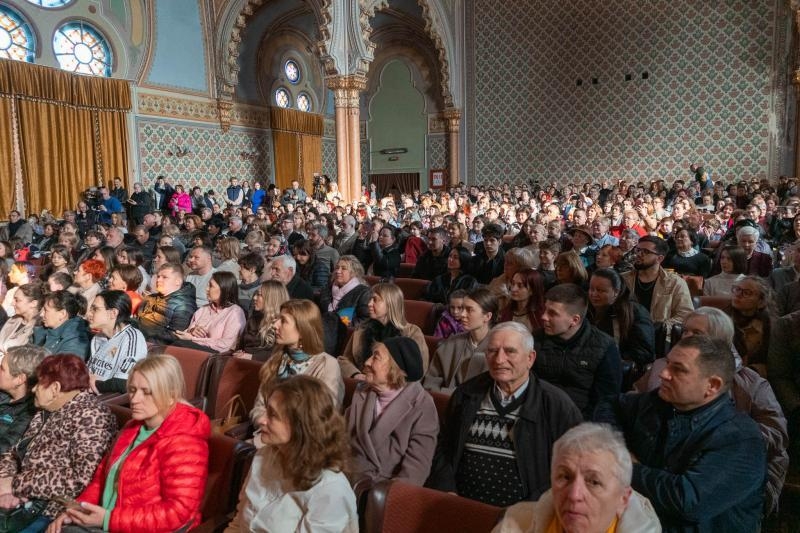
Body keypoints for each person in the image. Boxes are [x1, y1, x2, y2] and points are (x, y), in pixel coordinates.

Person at [595, 335, 766, 532]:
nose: (663, 374)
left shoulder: (741, 439)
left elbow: (686, 500)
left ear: (712, 385)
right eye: (667, 364)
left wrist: (623, 465)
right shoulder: (659, 402)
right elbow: (610, 404)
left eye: (678, 369)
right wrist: (616, 446)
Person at [634, 307, 788, 516]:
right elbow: (632, 403)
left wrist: (712, 439)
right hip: (665, 464)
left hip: (730, 469)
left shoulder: (751, 383)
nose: (687, 337)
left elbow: (776, 432)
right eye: (685, 331)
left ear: (720, 341)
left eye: (697, 333)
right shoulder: (661, 368)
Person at [48, 355, 210, 533]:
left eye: (146, 392)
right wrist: (77, 511)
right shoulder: (133, 427)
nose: (134, 399)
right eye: (132, 390)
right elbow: (101, 478)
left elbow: (179, 513)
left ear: (171, 395)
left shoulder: (184, 441)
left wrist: (109, 519)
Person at [427, 322, 582, 506]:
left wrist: (528, 510)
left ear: (530, 358)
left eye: (510, 351)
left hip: (526, 514)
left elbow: (570, 468)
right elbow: (443, 447)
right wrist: (446, 489)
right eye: (492, 351)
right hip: (460, 506)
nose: (499, 360)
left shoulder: (556, 405)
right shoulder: (466, 394)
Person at [225, 375, 357, 532]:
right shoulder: (264, 455)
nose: (261, 420)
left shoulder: (330, 490)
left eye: (273, 415)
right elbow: (238, 522)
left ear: (301, 426)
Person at [0, 355, 116, 532]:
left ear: (55, 388)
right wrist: (5, 481)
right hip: (17, 498)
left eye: (39, 384)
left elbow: (80, 479)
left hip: (49, 510)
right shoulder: (47, 409)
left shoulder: (93, 417)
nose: (33, 389)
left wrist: (16, 485)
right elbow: (14, 453)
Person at [492, 423, 660, 533]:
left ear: (623, 498)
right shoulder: (515, 524)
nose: (574, 495)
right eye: (565, 477)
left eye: (594, 482)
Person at [346, 337, 437, 491]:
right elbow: (339, 441)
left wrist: (383, 496)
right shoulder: (362, 392)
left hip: (381, 491)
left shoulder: (422, 406)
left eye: (376, 357)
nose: (367, 362)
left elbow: (415, 472)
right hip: (346, 479)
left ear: (395, 368)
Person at [251, 300, 344, 418]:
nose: (275, 325)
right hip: (266, 427)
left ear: (302, 330)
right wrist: (263, 422)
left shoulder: (327, 365)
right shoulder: (276, 358)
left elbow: (325, 416)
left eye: (283, 321)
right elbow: (259, 407)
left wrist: (282, 426)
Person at [338, 283, 428, 381]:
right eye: (370, 299)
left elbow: (418, 371)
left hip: (395, 387)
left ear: (390, 304)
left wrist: (387, 383)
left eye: (375, 300)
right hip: (362, 383)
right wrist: (356, 375)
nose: (369, 304)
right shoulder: (361, 330)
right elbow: (344, 361)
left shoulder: (412, 332)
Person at [423, 288, 498, 393]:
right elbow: (431, 381)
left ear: (487, 316)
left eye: (469, 310)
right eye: (463, 308)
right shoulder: (452, 342)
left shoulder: (499, 348)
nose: (462, 314)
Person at [587, 268, 654, 386]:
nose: (594, 294)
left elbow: (643, 352)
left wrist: (611, 358)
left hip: (618, 370)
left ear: (616, 292)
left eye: (601, 290)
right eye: (591, 289)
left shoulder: (634, 312)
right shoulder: (587, 309)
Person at [621, 236, 693, 332]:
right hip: (625, 333)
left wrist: (661, 327)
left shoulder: (675, 283)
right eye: (638, 250)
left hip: (659, 336)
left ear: (659, 258)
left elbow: (685, 314)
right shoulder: (623, 279)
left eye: (645, 252)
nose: (638, 254)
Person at [85, 291, 148, 395]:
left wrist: (95, 383)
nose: (89, 314)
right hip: (89, 393)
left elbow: (125, 382)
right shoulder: (98, 337)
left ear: (113, 313)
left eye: (95, 309)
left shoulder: (132, 337)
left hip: (107, 399)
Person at [173, 271, 246, 353]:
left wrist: (193, 339)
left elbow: (226, 345)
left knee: (178, 345)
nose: (207, 289)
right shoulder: (203, 309)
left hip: (216, 354)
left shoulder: (235, 312)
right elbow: (187, 333)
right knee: (173, 342)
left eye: (211, 286)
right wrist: (192, 331)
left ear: (224, 289)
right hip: (192, 348)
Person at [0, 345, 49, 455]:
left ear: (19, 379)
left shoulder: (29, 413)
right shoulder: (4, 393)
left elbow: (5, 447)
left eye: (2, 369)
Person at [137, 263, 198, 344]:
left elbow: (174, 336)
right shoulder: (150, 297)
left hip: (155, 346)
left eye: (164, 277)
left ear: (178, 281)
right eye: (158, 276)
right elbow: (138, 319)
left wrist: (142, 340)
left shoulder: (185, 306)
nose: (158, 280)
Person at [234, 280, 289, 362]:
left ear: (271, 299)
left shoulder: (282, 324)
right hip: (244, 363)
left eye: (259, 295)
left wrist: (252, 357)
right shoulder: (253, 320)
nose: (254, 298)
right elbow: (241, 346)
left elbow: (280, 354)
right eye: (255, 294)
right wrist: (239, 353)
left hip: (265, 366)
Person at [729, 275, 773, 374]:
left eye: (747, 293)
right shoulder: (722, 317)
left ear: (761, 302)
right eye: (737, 289)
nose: (738, 295)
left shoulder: (768, 327)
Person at [32, 290, 91, 360]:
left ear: (62, 314)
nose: (41, 314)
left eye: (46, 310)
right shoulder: (42, 329)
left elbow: (63, 366)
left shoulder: (75, 341)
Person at [498, 267, 546, 335]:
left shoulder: (540, 316)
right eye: (513, 283)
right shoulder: (506, 312)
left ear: (532, 290)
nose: (513, 289)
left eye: (520, 286)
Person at [0, 282, 43, 353]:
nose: (12, 303)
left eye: (17, 300)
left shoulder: (38, 329)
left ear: (33, 303)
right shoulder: (13, 320)